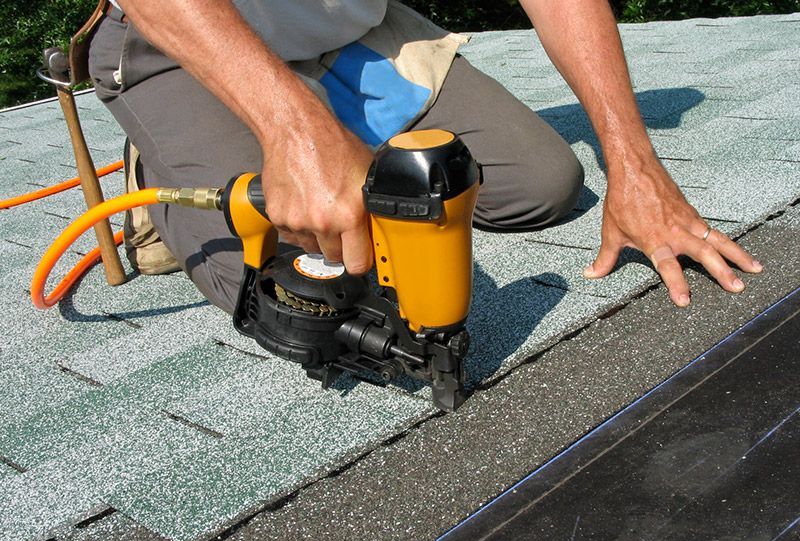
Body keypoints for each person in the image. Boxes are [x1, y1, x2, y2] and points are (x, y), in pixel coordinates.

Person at [87, 0, 762, 315]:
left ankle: (336, 128)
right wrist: (292, 127)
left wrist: (634, 166)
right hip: (185, 41)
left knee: (544, 184)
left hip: (343, 26)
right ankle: (163, 165)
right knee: (309, 296)